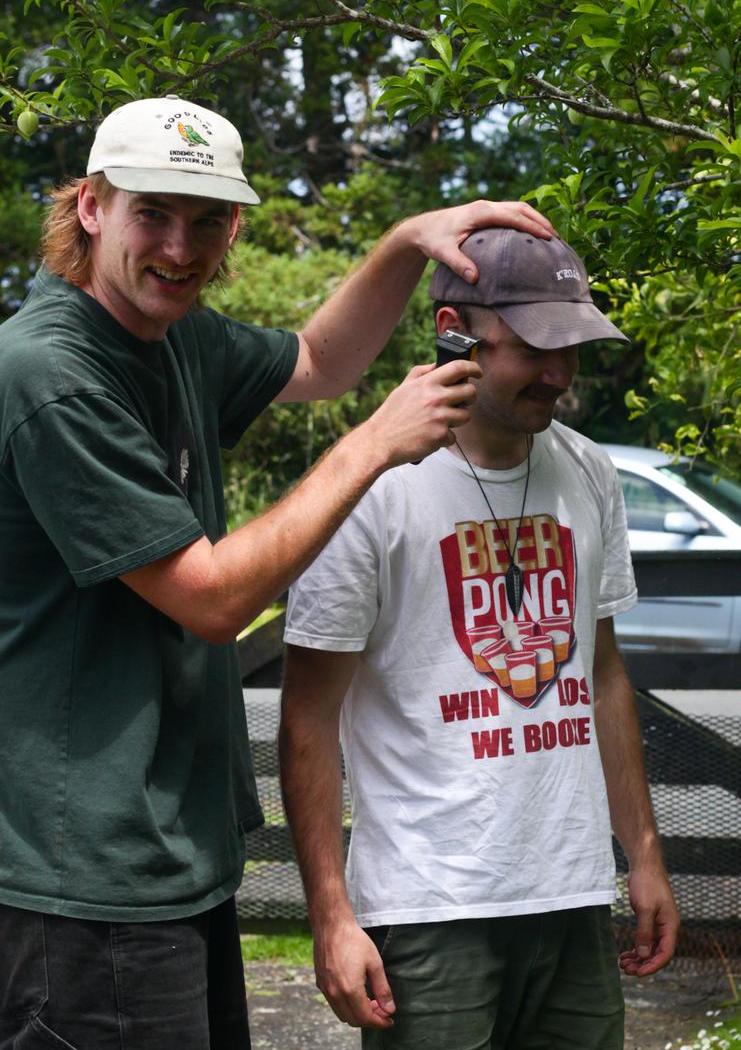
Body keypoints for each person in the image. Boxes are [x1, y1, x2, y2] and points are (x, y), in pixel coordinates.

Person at [0, 95, 555, 1050]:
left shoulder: (175, 339)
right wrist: (370, 447)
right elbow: (211, 598)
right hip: (81, 880)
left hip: (171, 855)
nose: (180, 247)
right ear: (90, 206)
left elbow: (319, 360)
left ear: (236, 226)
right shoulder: (49, 372)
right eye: (153, 214)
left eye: (208, 220)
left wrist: (402, 242)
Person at [280, 226, 680, 1049]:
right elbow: (309, 717)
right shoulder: (371, 485)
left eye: (571, 346)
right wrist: (330, 915)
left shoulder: (586, 468)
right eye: (534, 346)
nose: (559, 374)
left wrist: (642, 854)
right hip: (430, 907)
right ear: (452, 328)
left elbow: (601, 674)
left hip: (571, 893)